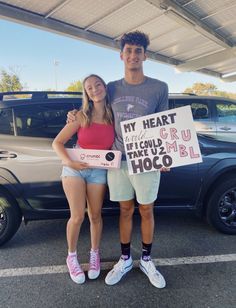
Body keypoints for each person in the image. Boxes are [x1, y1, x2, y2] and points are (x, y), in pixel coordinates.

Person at [67, 31, 169, 288]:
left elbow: (164, 126)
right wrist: (74, 115)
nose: (133, 55)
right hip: (118, 161)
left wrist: (165, 155)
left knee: (146, 209)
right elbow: (92, 107)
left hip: (146, 160)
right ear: (121, 55)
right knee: (125, 210)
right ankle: (125, 259)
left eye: (138, 51)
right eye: (129, 51)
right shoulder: (110, 87)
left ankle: (146, 259)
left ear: (145, 55)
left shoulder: (159, 87)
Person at [53, 74, 114, 284]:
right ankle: (71, 257)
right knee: (77, 216)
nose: (94, 89)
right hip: (75, 169)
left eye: (98, 84)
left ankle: (94, 255)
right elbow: (57, 143)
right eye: (89, 87)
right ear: (86, 93)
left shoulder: (114, 116)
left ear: (105, 87)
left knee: (95, 216)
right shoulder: (80, 116)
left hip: (98, 171)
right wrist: (69, 163)